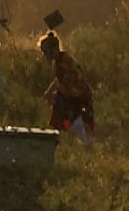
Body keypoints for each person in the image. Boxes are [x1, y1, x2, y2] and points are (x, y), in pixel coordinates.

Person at [36, 9, 98, 142]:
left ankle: (66, 140)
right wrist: (50, 92)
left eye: (45, 52)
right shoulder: (62, 60)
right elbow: (60, 80)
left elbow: (68, 85)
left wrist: (54, 96)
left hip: (79, 98)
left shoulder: (62, 63)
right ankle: (68, 139)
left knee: (68, 119)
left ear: (52, 50)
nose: (44, 55)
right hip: (79, 97)